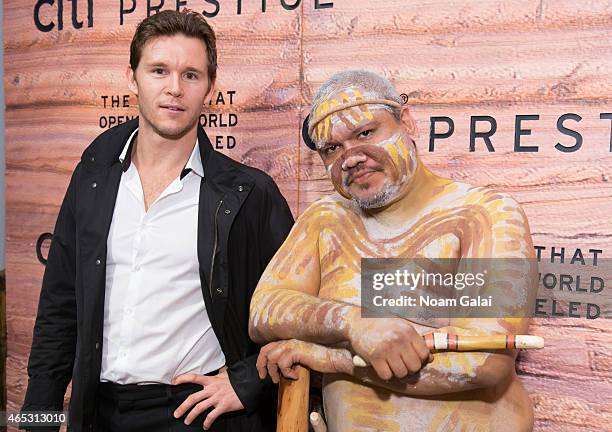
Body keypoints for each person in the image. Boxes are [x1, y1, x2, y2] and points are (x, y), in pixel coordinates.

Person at [20, 10, 293, 432]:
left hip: (195, 415)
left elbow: (296, 310)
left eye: (191, 75)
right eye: (159, 70)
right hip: (98, 411)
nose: (174, 89)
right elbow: (58, 311)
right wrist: (37, 422)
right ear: (132, 78)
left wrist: (246, 382)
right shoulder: (92, 177)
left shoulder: (249, 195)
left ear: (211, 88)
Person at [250, 70, 536, 431]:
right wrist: (354, 324)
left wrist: (332, 357)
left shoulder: (480, 214)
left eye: (365, 133)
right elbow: (265, 309)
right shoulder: (325, 218)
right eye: (331, 149)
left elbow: (485, 359)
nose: (350, 158)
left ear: (407, 122)